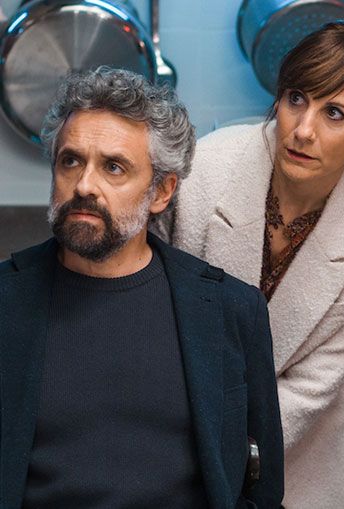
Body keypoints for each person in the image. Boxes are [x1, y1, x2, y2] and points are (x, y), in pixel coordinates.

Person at [0, 67, 283, 508]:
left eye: (113, 167)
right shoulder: (5, 301)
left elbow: (263, 490)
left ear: (161, 192)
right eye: (70, 161)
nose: (84, 185)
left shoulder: (230, 310)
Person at [163, 22, 344, 508]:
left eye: (334, 113)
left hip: (305, 466)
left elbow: (310, 388)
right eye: (296, 99)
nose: (303, 130)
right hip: (180, 448)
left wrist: (219, 458)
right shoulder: (203, 171)